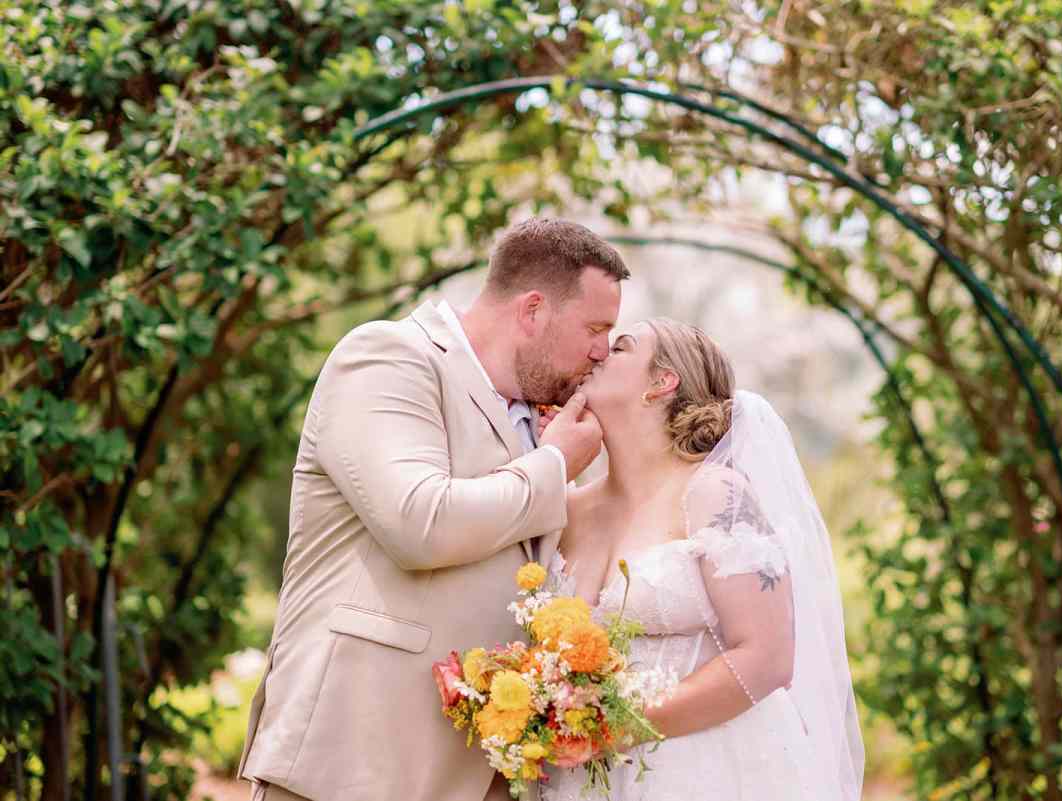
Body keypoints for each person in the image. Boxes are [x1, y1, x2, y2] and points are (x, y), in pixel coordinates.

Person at [237, 218, 628, 801]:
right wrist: (552, 468)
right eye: (595, 328)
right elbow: (419, 521)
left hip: (471, 773)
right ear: (533, 311)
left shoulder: (540, 422)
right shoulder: (388, 357)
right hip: (353, 761)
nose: (602, 351)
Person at [539, 318, 864, 801]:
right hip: (577, 782)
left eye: (622, 347)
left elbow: (768, 657)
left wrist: (613, 727)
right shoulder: (566, 506)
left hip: (702, 772)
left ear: (661, 382)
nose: (598, 353)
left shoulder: (715, 494)